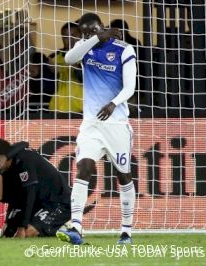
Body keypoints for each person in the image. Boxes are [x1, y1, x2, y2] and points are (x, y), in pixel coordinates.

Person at [56, 13, 137, 245]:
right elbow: (69, 59)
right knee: (83, 168)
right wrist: (94, 38)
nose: (88, 36)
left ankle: (126, 231)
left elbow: (130, 87)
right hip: (91, 125)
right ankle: (76, 228)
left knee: (123, 176)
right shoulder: (84, 47)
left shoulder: (124, 49)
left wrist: (114, 103)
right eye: (85, 33)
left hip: (117, 124)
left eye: (92, 31)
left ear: (101, 26)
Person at [0, 138, 72, 238]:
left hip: (56, 202)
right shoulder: (0, 169)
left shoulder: (25, 160)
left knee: (27, 233)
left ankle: (64, 228)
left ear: (5, 157)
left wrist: (22, 226)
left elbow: (29, 193)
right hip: (30, 201)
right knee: (7, 234)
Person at [49, 22, 84, 113]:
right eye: (65, 37)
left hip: (82, 106)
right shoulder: (55, 57)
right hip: (59, 107)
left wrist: (77, 68)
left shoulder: (88, 54)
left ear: (80, 35)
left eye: (73, 35)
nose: (70, 39)